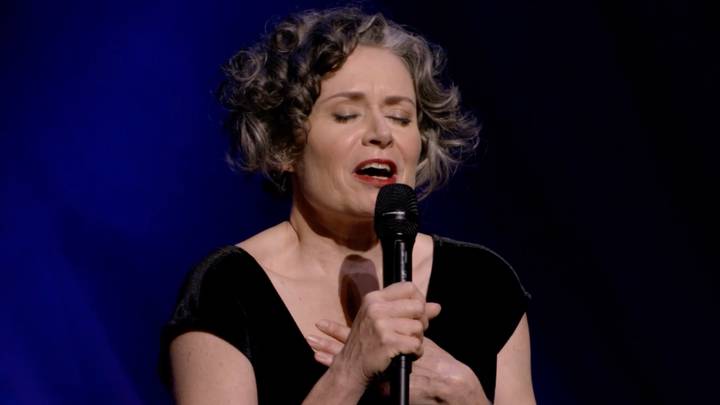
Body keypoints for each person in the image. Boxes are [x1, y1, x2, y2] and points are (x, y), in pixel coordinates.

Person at [159, 7, 535, 404]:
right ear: (284, 145)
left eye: (400, 117)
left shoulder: (483, 283)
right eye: (346, 115)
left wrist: (470, 399)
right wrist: (350, 372)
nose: (381, 133)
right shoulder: (226, 290)